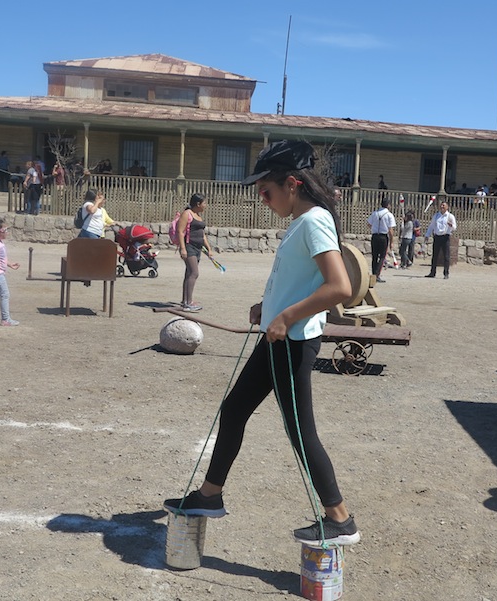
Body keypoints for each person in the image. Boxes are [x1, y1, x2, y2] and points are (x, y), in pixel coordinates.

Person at [162, 139, 360, 546]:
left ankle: (340, 519)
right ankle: (209, 496)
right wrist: (267, 307)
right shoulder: (302, 221)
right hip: (277, 338)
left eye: (266, 191)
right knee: (234, 410)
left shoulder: (314, 221)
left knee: (300, 431)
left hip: (292, 342)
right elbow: (298, 281)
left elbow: (340, 286)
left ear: (292, 184)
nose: (262, 199)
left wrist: (286, 317)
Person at [176, 193, 214, 312]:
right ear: (198, 204)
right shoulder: (187, 214)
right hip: (189, 247)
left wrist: (209, 248)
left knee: (189, 273)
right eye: (204, 203)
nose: (205, 205)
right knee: (194, 273)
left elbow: (202, 235)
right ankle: (189, 302)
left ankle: (185, 301)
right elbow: (180, 232)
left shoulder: (198, 216)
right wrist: (183, 248)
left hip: (198, 248)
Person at [425, 201, 457, 279]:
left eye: (444, 205)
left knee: (446, 256)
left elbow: (454, 227)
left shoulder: (450, 216)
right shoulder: (436, 216)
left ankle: (446, 273)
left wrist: (451, 225)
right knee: (435, 255)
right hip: (437, 237)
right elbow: (431, 226)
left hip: (445, 237)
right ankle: (432, 272)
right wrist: (427, 235)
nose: (442, 207)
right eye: (441, 205)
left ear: (447, 207)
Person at [367, 198, 396, 282]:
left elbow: (369, 224)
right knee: (382, 257)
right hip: (383, 237)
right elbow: (391, 230)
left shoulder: (375, 213)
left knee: (374, 256)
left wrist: (374, 228)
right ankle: (377, 275)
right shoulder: (389, 215)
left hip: (375, 236)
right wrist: (391, 241)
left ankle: (373, 274)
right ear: (388, 205)